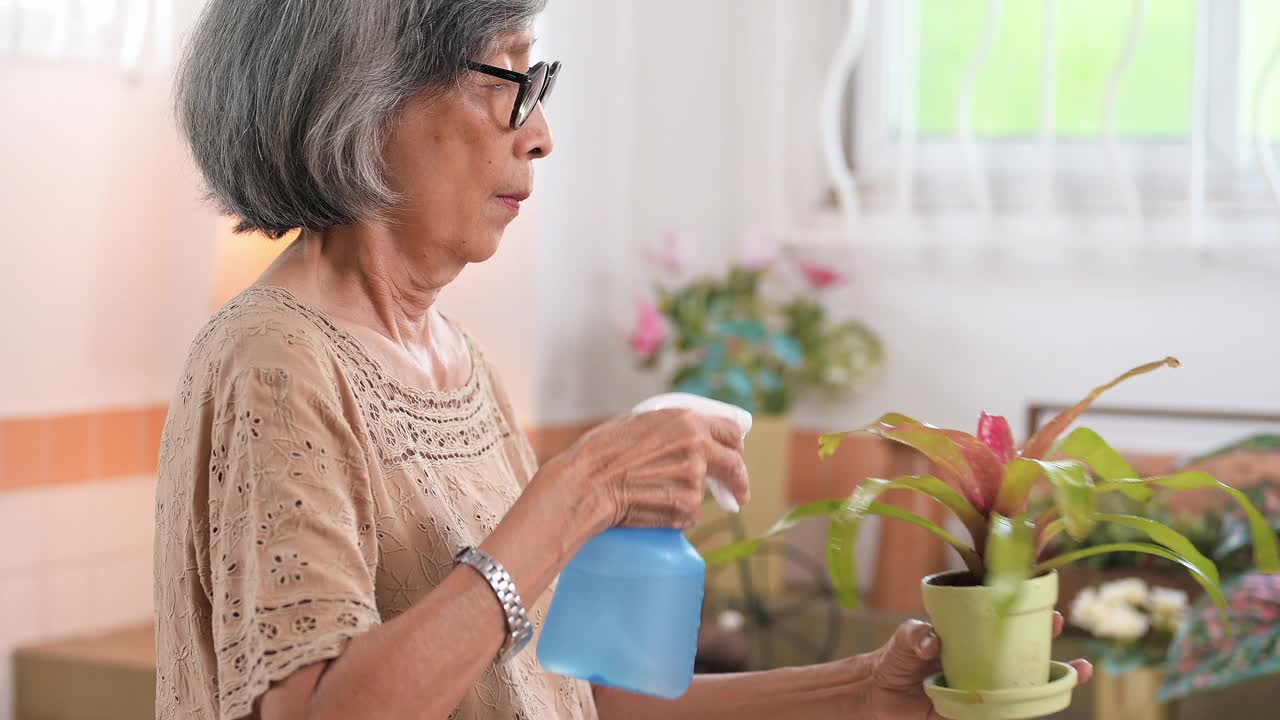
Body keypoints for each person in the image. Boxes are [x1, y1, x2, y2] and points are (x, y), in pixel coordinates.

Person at [154, 2, 1091, 718]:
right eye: (505, 78)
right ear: (360, 93)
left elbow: (564, 695)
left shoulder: (459, 364)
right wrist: (581, 492)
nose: (541, 131)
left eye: (538, 80)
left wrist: (859, 690)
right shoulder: (275, 361)